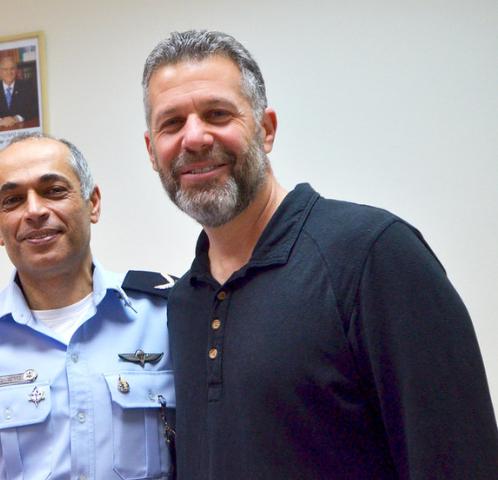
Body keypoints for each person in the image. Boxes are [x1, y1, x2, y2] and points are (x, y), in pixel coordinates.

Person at [141, 29, 498, 479]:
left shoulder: (373, 255)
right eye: (171, 123)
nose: (194, 138)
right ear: (153, 151)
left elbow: (458, 461)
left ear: (266, 130)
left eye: (217, 113)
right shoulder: (184, 302)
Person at [0, 133, 176, 480]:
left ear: (93, 203)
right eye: (13, 200)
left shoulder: (166, 318)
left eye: (54, 190)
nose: (34, 211)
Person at [0, 56, 39, 127]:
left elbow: (34, 108)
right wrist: (0, 121)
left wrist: (16, 119)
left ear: (16, 70)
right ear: (0, 72)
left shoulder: (27, 86)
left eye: (12, 68)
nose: (9, 72)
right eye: (5, 69)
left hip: (22, 128)